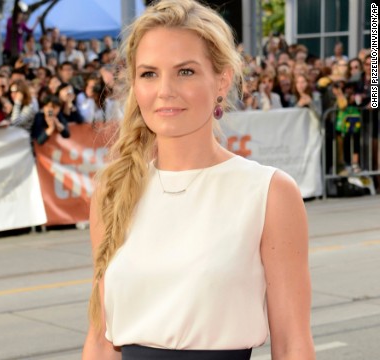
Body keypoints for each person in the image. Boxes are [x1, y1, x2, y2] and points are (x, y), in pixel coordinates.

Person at [82, 1, 314, 359]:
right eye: (149, 74)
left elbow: (293, 344)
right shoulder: (113, 191)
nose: (165, 90)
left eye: (185, 72)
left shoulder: (268, 193)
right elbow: (100, 342)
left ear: (221, 80)